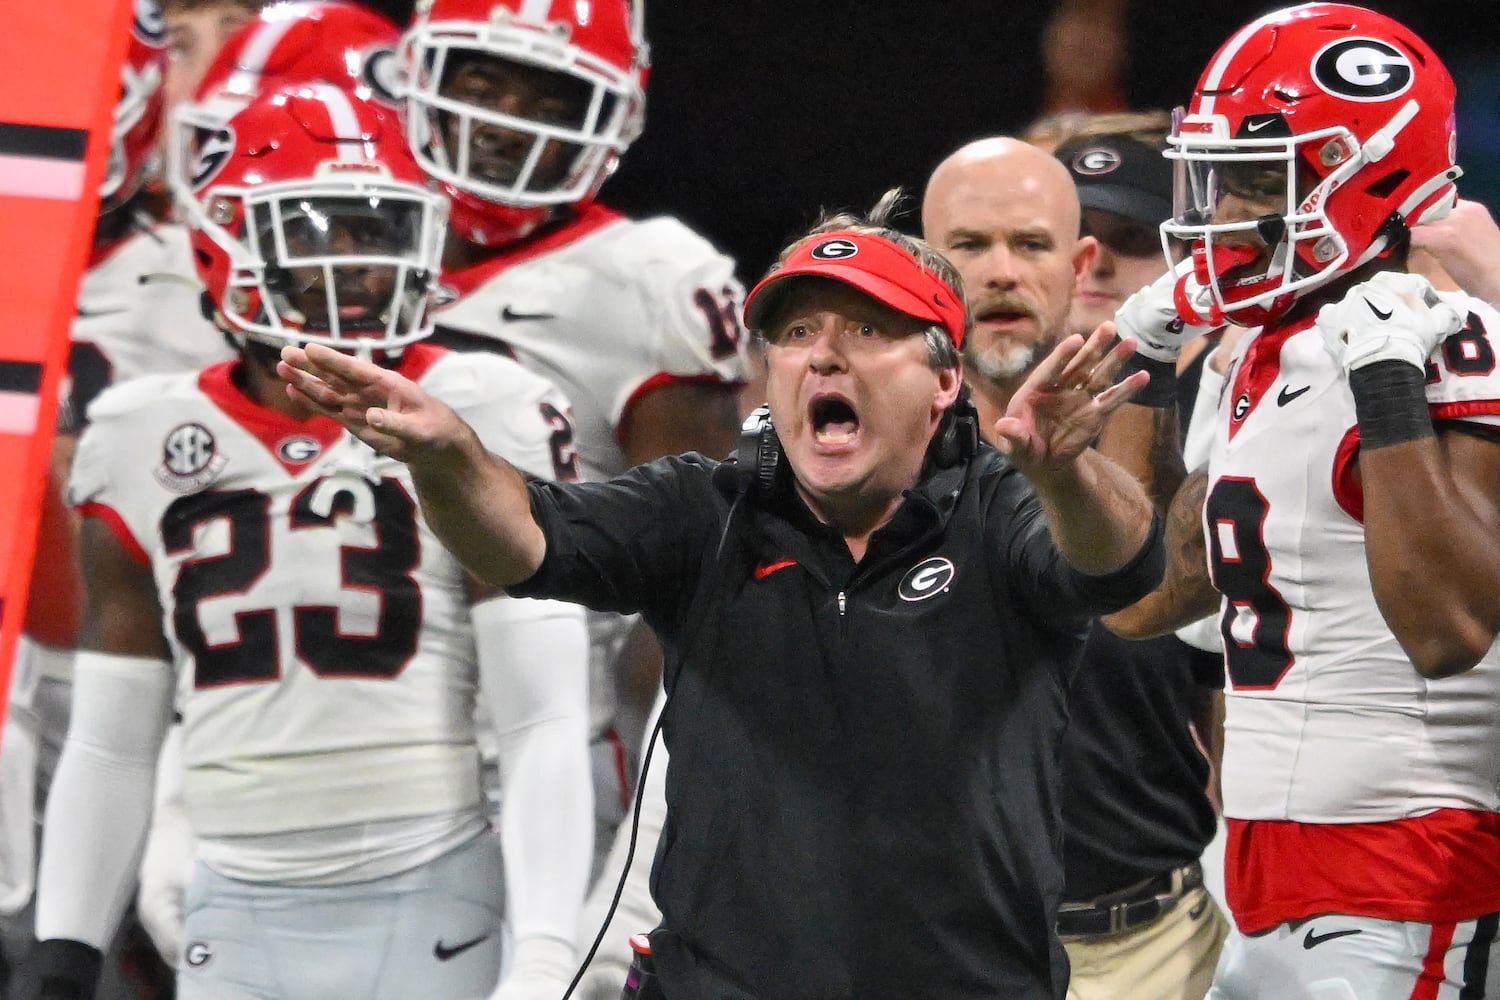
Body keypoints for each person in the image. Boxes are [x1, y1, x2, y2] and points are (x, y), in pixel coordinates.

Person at [279, 195, 1166, 999]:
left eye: (866, 331)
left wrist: (1067, 474)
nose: (823, 353)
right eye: (797, 332)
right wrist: (449, 459)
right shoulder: (700, 509)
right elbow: (521, 541)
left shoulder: (1001, 505)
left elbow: (1118, 564)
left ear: (943, 380)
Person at [25, 83, 594, 1000]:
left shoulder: (483, 406)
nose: (363, 263)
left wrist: (544, 952)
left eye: (382, 230)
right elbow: (113, 739)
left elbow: (543, 719)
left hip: (433, 883)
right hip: (233, 904)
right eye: (323, 229)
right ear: (225, 246)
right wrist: (65, 952)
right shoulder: (138, 436)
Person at [1098, 4, 1500, 997]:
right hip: (1262, 874)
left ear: (1368, 177)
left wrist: (1393, 391)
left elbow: (1450, 628)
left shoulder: (1457, 344)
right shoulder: (1257, 361)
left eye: (1252, 179)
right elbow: (1149, 600)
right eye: (1216, 174)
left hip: (1411, 869)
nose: (1220, 210)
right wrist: (1144, 370)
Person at [391, 0, 749, 946]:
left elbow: (700, 572)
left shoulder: (644, 277)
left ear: (616, 117)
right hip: (363, 704)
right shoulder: (342, 247)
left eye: (547, 97)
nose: (506, 121)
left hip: (551, 734)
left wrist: (653, 802)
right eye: (481, 85)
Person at [922, 135, 1229, 999]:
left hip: (1153, 948)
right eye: (970, 246)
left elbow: (1218, 677)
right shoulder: (856, 445)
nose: (999, 274)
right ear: (923, 260)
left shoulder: (1182, 427)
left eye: (1031, 246)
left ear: (1078, 265)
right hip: (931, 945)